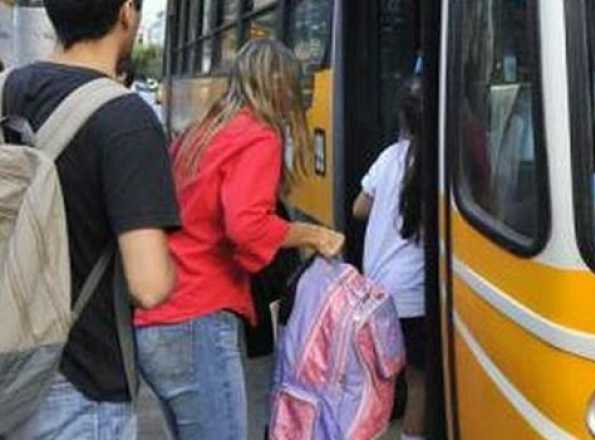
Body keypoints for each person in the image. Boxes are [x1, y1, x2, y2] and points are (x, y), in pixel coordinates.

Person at [133, 38, 346, 440]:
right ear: (279, 85)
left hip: (158, 319)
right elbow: (247, 227)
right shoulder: (258, 136)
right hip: (197, 317)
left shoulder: (202, 132)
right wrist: (315, 235)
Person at [2, 0, 181, 437]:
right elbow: (149, 285)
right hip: (78, 385)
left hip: (6, 360)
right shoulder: (127, 120)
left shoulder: (7, 89)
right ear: (126, 13)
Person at [353, 77, 427, 440]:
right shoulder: (438, 164)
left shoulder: (388, 157)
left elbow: (358, 209)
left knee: (379, 380)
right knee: (419, 382)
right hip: (412, 298)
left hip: (376, 293)